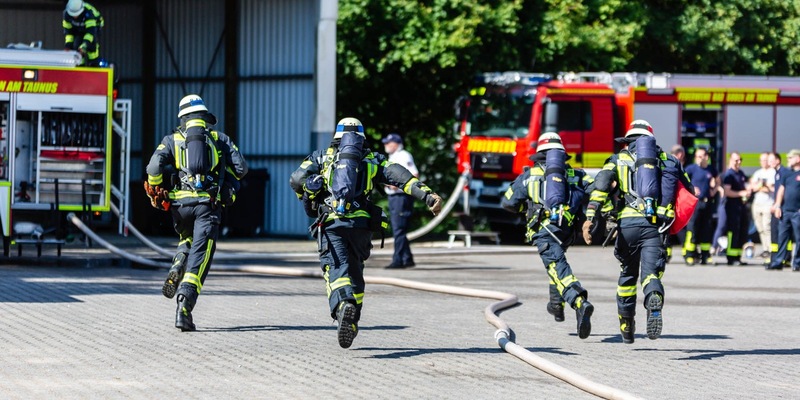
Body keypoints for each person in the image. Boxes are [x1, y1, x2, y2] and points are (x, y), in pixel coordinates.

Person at [289, 117, 442, 349]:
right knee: (356, 271)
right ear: (362, 137)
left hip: (333, 224)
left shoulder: (321, 157)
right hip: (362, 227)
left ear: (337, 135)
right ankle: (352, 319)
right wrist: (428, 195)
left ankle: (344, 305)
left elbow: (296, 179)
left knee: (335, 269)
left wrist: (310, 193)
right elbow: (400, 177)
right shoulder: (373, 159)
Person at [144, 94, 249, 331]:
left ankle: (177, 263)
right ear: (205, 117)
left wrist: (157, 187)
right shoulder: (219, 139)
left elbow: (153, 168)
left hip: (180, 207)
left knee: (187, 240)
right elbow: (242, 168)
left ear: (183, 118)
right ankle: (184, 304)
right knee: (201, 256)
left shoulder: (170, 140)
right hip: (207, 206)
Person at [583, 120, 693, 344]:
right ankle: (653, 295)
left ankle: (626, 324)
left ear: (628, 141)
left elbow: (600, 186)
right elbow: (689, 191)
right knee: (650, 274)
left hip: (627, 226)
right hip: (656, 227)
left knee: (627, 275)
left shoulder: (617, 159)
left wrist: (591, 216)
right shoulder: (670, 160)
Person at [501, 132, 594, 339]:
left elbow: (507, 202)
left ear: (539, 154)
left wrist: (527, 207)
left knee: (556, 266)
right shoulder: (577, 174)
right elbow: (597, 188)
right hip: (567, 231)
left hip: (544, 231)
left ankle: (578, 301)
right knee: (557, 263)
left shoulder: (529, 176)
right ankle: (556, 305)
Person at [382, 133, 419, 269]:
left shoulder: (404, 156)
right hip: (394, 197)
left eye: (388, 143)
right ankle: (407, 258)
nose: (386, 145)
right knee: (399, 229)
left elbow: (414, 174)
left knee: (399, 229)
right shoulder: (394, 157)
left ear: (396, 144)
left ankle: (398, 260)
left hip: (401, 197)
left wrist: (398, 185)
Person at [682, 147, 720, 265]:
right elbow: (682, 181)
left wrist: (714, 191)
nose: (698, 158)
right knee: (692, 229)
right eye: (697, 156)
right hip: (695, 203)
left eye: (701, 156)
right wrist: (691, 190)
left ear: (706, 157)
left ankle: (705, 255)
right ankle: (690, 255)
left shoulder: (710, 169)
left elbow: (718, 180)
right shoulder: (691, 169)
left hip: (707, 202)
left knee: (706, 230)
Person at [768, 149, 800, 271]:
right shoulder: (787, 174)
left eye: (790, 158)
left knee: (798, 239)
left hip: (797, 212)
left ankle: (797, 263)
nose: (788, 160)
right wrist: (777, 205)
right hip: (785, 211)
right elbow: (781, 191)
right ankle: (778, 262)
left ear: (798, 159)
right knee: (782, 238)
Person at [720, 152, 752, 265]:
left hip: (741, 207)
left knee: (741, 232)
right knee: (733, 232)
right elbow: (727, 192)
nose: (738, 162)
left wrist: (748, 191)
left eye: (740, 160)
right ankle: (731, 257)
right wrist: (741, 193)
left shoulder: (741, 173)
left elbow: (746, 186)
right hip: (732, 207)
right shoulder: (729, 174)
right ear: (730, 160)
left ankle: (738, 257)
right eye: (736, 160)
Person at [63, 0, 104, 66]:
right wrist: (68, 45)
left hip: (95, 25)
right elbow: (69, 32)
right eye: (73, 14)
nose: (75, 17)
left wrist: (85, 45)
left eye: (76, 14)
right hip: (79, 29)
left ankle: (94, 64)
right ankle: (79, 65)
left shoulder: (88, 12)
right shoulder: (66, 15)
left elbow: (90, 32)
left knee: (91, 46)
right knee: (76, 45)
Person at [749, 152, 775, 258]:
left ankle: (770, 249)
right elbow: (752, 187)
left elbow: (771, 188)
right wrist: (762, 186)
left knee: (766, 227)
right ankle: (765, 249)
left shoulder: (772, 172)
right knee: (760, 228)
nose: (763, 162)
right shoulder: (758, 173)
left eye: (765, 160)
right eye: (761, 160)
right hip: (757, 204)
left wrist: (761, 186)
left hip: (767, 204)